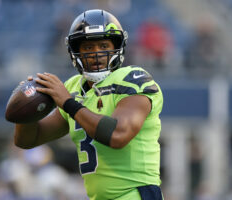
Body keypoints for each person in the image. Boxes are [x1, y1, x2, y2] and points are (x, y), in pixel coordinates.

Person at [14, 9, 164, 200]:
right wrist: (27, 108)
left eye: (103, 45)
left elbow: (118, 135)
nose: (96, 54)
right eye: (88, 48)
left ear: (117, 46)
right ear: (75, 52)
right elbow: (28, 140)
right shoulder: (73, 87)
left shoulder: (133, 78)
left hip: (135, 195)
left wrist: (69, 103)